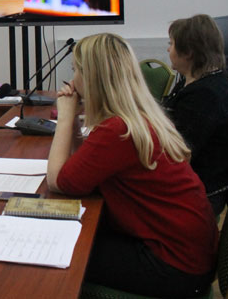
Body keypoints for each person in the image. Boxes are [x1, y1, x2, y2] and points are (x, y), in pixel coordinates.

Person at [47, 33, 217, 298]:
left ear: (92, 78)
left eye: (75, 71)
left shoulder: (118, 130)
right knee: (79, 231)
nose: (73, 80)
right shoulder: (136, 118)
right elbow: (80, 175)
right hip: (188, 254)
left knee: (60, 250)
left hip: (174, 266)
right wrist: (76, 130)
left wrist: (66, 117)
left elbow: (58, 181)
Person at [163, 14, 228, 215]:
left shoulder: (205, 95)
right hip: (195, 186)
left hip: (198, 198)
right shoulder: (201, 82)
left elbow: (176, 154)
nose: (168, 49)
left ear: (188, 52)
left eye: (171, 44)